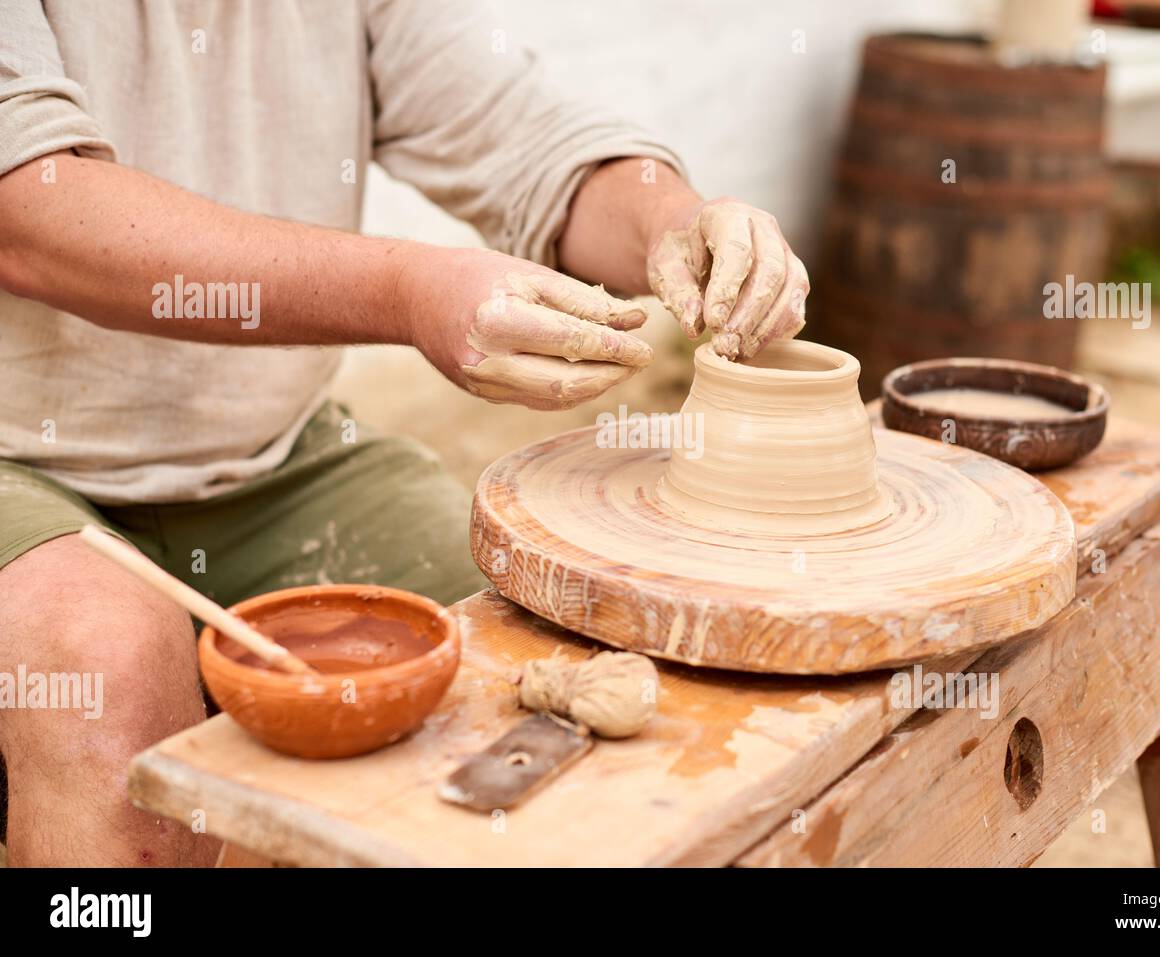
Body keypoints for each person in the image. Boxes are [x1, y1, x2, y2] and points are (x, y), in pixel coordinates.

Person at [0, 0, 808, 866]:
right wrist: (406, 292)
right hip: (19, 454)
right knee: (106, 672)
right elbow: (32, 212)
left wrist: (672, 222)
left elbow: (522, 135)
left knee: (520, 627)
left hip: (275, 453)